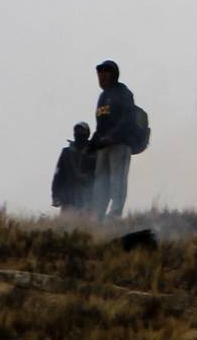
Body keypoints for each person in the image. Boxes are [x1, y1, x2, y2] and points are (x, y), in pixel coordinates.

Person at [91, 59, 137, 220]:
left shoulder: (123, 93)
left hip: (120, 144)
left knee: (118, 179)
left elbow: (127, 119)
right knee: (100, 182)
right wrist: (92, 143)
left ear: (114, 75)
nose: (102, 76)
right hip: (104, 146)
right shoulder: (103, 97)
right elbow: (100, 125)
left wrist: (112, 136)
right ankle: (98, 214)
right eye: (100, 73)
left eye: (106, 72)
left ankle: (115, 212)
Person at [51, 122, 96, 214]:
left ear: (87, 133)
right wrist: (55, 195)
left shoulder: (95, 152)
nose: (79, 133)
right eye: (77, 130)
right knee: (65, 226)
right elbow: (58, 175)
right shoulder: (66, 152)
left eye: (82, 131)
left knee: (88, 226)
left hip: (89, 198)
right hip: (68, 199)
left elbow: (102, 174)